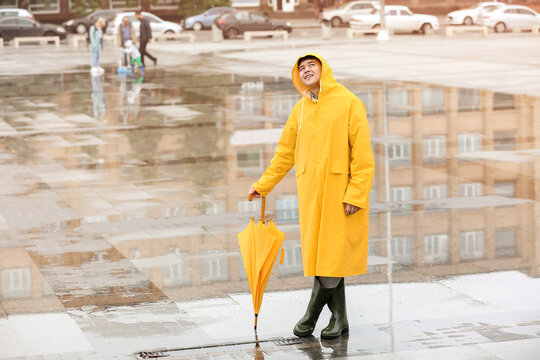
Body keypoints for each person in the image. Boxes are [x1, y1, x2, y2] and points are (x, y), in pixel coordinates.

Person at [249, 53, 375, 339]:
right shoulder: (300, 110)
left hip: (339, 196)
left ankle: (311, 315)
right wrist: (263, 184)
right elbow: (285, 153)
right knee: (323, 258)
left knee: (330, 256)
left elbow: (363, 155)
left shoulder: (348, 102)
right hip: (310, 196)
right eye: (301, 68)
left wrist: (356, 194)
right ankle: (340, 319)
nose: (306, 70)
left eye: (311, 66)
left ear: (324, 69)